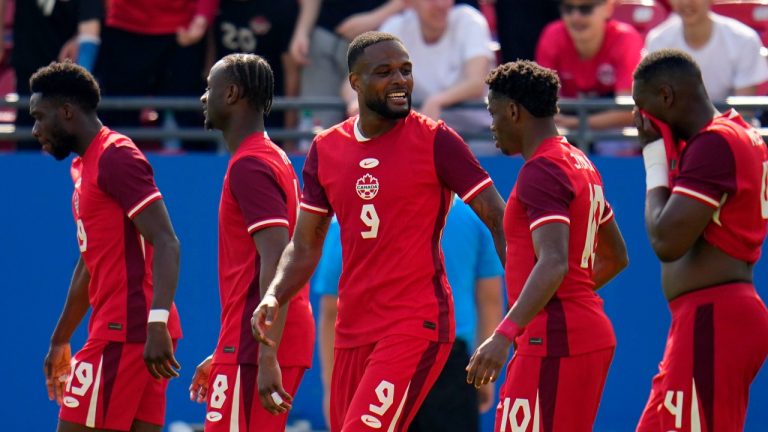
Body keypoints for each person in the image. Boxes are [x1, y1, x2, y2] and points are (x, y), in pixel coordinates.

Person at [253, 31, 507, 432]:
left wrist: (527, 308)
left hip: (415, 323)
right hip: (353, 331)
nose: (400, 81)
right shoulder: (326, 149)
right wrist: (273, 294)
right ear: (354, 81)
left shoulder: (436, 139)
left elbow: (497, 216)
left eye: (406, 71)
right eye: (385, 72)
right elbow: (303, 247)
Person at [466, 60, 628, 432]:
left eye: (493, 114)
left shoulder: (543, 169)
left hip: (555, 339)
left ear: (513, 111)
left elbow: (553, 263)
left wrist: (504, 334)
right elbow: (616, 255)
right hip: (577, 334)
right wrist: (560, 298)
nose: (492, 126)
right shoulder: (579, 162)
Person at [32, 61, 183, 431]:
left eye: (39, 117)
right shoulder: (85, 165)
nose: (35, 129)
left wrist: (156, 323)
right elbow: (89, 262)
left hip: (128, 330)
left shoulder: (116, 155)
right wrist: (60, 338)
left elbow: (166, 240)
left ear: (67, 113)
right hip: (131, 330)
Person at [632, 49, 768, 431]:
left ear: (666, 97)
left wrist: (653, 156)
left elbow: (666, 240)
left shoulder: (715, 142)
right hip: (705, 318)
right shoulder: (737, 134)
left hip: (715, 317)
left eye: (644, 108)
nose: (643, 121)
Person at [187, 54, 314, 431]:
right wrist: (228, 347)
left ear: (231, 93)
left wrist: (264, 353)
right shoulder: (271, 157)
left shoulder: (251, 164)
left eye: (209, 88)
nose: (203, 98)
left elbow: (276, 260)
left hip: (258, 344)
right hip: (251, 341)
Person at [313, 200, 504, 431]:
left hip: (380, 362)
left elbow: (332, 309)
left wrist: (332, 387)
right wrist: (484, 375)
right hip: (450, 365)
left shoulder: (353, 213)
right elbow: (490, 300)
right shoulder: (475, 214)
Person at [379, 0, 496, 154]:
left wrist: (437, 101)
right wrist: (358, 101)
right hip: (418, 134)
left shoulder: (470, 20)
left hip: (477, 133)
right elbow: (356, 81)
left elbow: (476, 82)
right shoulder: (396, 27)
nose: (441, 4)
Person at [536, 0, 643, 133]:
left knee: (620, 139)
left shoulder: (626, 39)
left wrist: (577, 123)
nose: (576, 17)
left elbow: (629, 111)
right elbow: (543, 105)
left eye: (586, 9)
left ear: (607, 8)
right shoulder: (552, 35)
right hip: (565, 125)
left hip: (609, 130)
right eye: (568, 9)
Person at [645, 0, 768, 102]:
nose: (687, 2)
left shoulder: (744, 39)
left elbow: (743, 110)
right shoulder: (658, 41)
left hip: (729, 129)